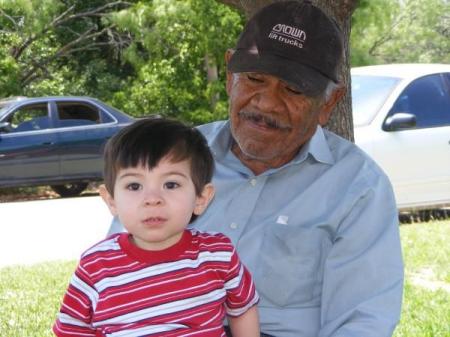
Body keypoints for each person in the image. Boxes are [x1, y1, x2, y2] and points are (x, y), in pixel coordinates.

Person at [108, 1, 404, 336]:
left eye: (293, 89)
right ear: (230, 75)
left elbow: (362, 322)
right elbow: (115, 269)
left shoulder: (358, 187)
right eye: (254, 78)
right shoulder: (171, 159)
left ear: (329, 104)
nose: (266, 103)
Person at [53, 118, 260, 337]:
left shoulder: (218, 254)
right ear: (111, 200)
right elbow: (72, 330)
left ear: (201, 198)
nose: (152, 199)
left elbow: (243, 308)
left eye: (171, 184)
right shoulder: (95, 266)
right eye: (134, 186)